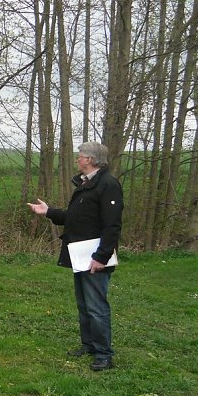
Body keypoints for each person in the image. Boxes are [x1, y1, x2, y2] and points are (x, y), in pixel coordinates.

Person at [27, 141, 123, 372]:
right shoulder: (86, 184)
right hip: (80, 255)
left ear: (89, 160)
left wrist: (101, 257)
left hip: (94, 257)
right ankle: (89, 344)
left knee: (96, 306)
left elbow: (112, 226)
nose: (77, 159)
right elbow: (75, 217)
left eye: (80, 156)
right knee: (84, 304)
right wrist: (48, 212)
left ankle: (103, 354)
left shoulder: (108, 185)